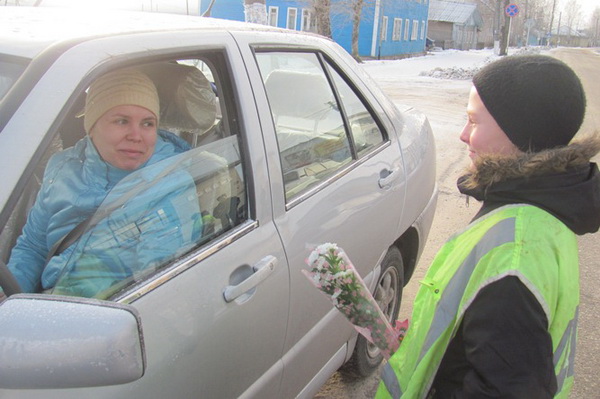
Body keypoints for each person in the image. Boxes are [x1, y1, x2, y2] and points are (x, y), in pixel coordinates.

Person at [376, 55, 600, 398]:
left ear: (519, 130)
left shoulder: (515, 253)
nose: (464, 135)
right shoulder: (538, 212)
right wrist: (437, 344)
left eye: (473, 121)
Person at [6, 68, 202, 297]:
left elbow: (155, 283)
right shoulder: (62, 167)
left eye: (148, 123)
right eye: (122, 121)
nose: (136, 135)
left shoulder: (169, 186)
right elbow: (33, 247)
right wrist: (9, 292)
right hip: (42, 305)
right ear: (92, 126)